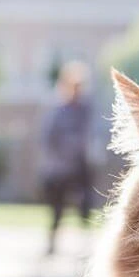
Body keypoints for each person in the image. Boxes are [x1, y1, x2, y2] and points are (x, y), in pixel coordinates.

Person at [40, 60, 95, 255]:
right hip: (60, 168)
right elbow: (48, 139)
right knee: (57, 209)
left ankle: (87, 245)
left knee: (85, 204)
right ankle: (52, 243)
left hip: (79, 166)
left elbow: (90, 134)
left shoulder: (86, 110)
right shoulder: (58, 112)